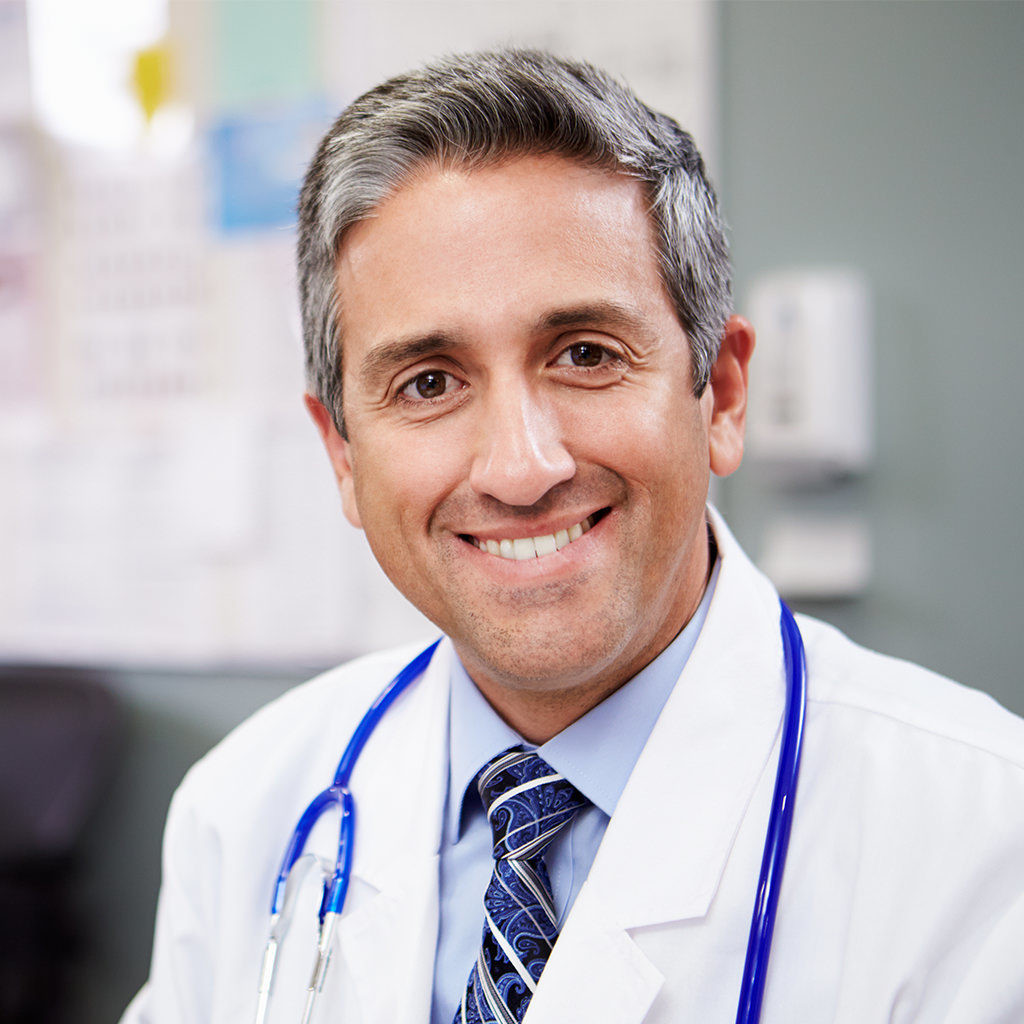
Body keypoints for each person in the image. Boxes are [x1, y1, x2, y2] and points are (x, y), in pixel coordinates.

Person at [121, 50, 1024, 1024]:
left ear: (718, 393)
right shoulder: (248, 807)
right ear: (342, 452)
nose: (519, 466)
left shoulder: (984, 843)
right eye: (428, 381)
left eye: (585, 354)